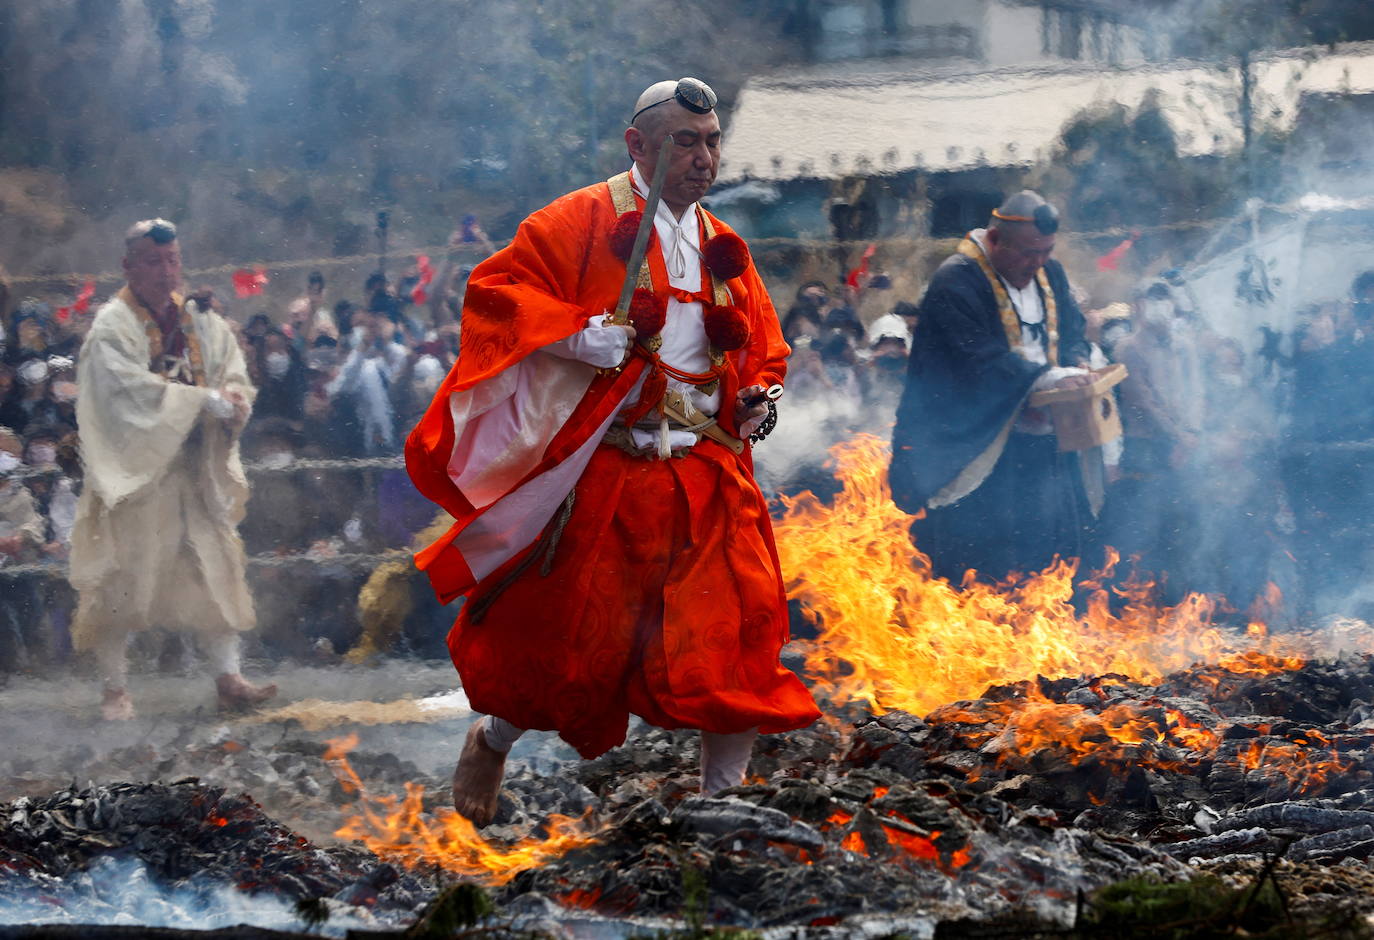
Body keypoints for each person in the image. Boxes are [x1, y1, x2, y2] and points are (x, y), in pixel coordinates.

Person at [406, 77, 820, 826]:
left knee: (739, 636)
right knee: (571, 648)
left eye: (712, 141)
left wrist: (762, 402)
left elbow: (764, 354)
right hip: (610, 475)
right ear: (639, 146)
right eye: (684, 143)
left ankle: (720, 807)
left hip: (708, 472)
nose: (704, 158)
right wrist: (573, 333)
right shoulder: (577, 221)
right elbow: (494, 295)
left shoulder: (724, 245)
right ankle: (493, 737)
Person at [69, 219, 277, 720]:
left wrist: (231, 397)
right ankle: (115, 688)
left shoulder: (199, 320)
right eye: (152, 262)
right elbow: (122, 393)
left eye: (172, 261)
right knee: (121, 578)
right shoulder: (111, 326)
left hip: (193, 468)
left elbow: (231, 368)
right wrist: (198, 399)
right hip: (137, 472)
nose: (165, 272)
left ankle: (229, 676)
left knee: (216, 568)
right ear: (129, 266)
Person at [889, 191, 1095, 582]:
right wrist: (1047, 378)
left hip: (1044, 439)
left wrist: (1076, 362)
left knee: (1046, 546)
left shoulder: (1051, 273)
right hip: (978, 442)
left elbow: (1072, 328)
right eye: (1027, 253)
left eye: (1046, 251)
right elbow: (978, 360)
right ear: (997, 240)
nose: (1036, 263)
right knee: (983, 554)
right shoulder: (956, 281)